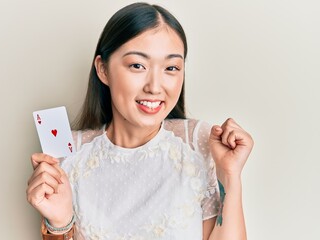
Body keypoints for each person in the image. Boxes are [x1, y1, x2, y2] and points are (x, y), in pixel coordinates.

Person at [26, 2, 254, 240]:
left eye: (171, 67)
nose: (154, 87)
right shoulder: (68, 153)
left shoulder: (198, 143)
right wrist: (59, 224)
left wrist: (230, 175)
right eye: (137, 65)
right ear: (103, 69)